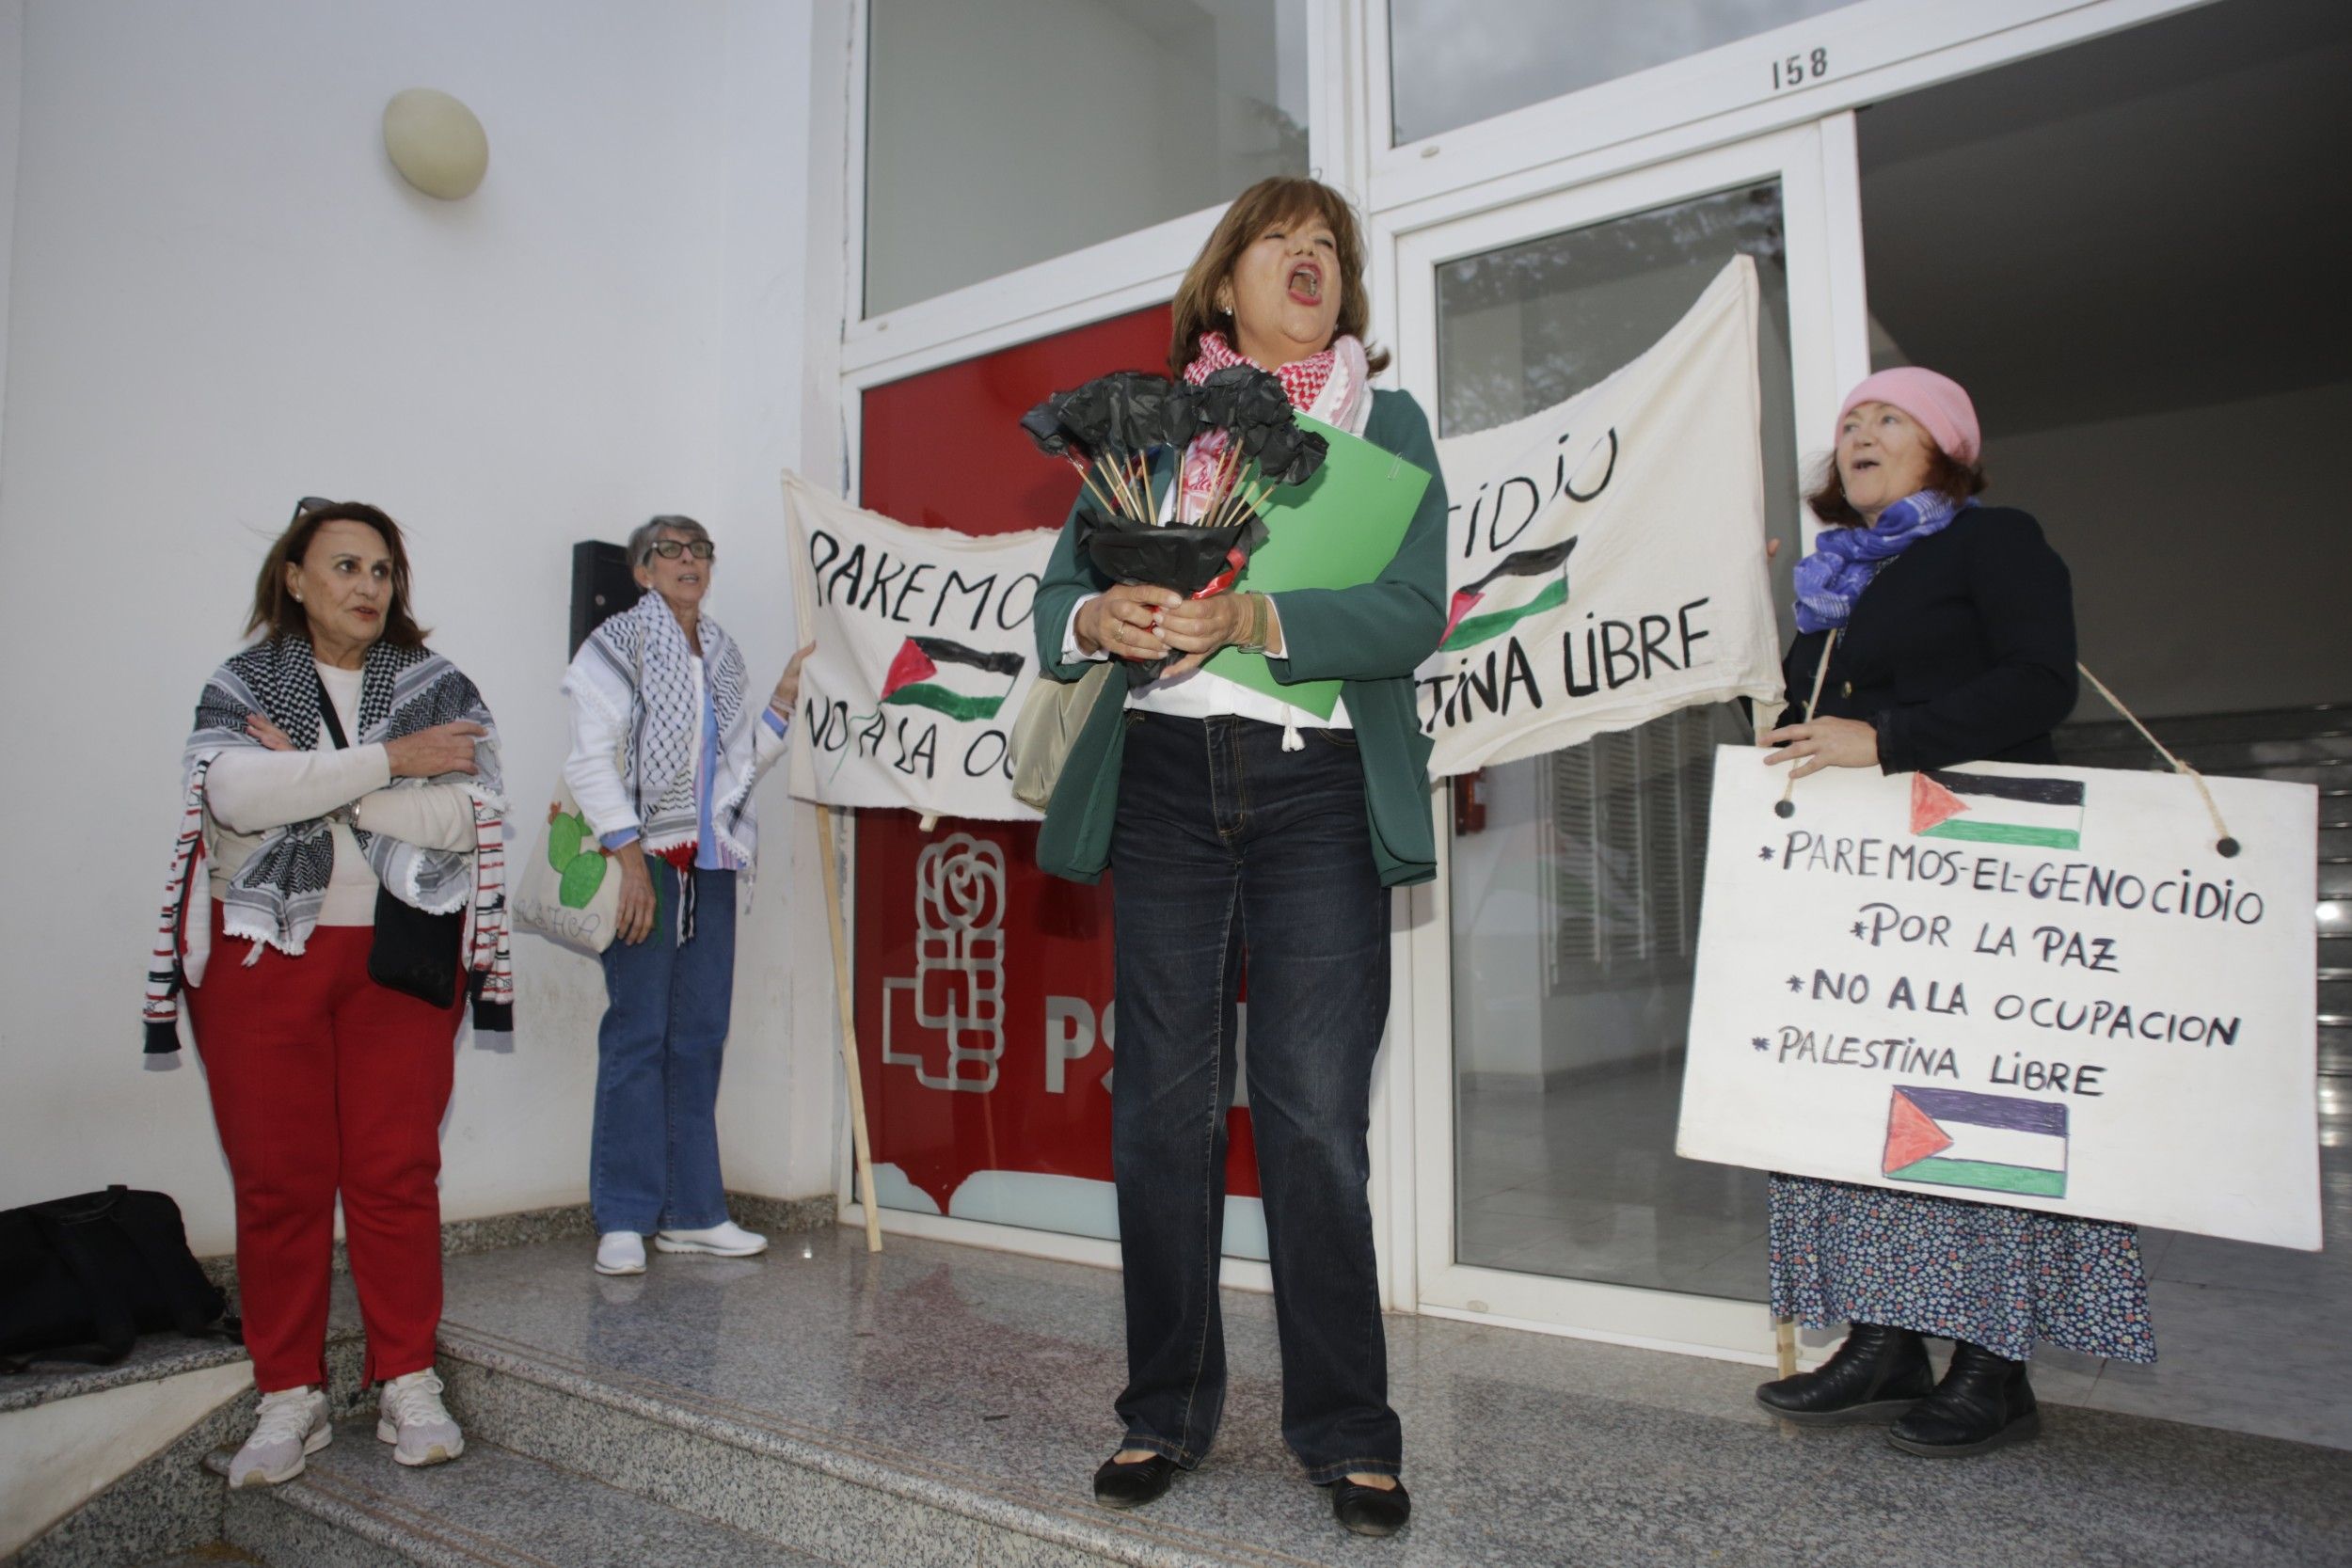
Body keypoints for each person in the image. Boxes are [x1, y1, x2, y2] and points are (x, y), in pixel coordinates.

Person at [1032, 177, 1446, 1539]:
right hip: (1161, 786)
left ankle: (1346, 1429)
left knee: (1317, 1117)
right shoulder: (1149, 423)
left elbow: (1410, 611)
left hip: (1315, 788)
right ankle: (1164, 1409)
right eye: (1282, 239)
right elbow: (1052, 603)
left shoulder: (1383, 426)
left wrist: (1260, 610)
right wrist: (1106, 612)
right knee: (1161, 1109)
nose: (1310, 256)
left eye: (1328, 243)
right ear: (1224, 282)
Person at [1754, 368, 2155, 1454]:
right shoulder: (1830, 580)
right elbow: (1808, 722)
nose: (1859, 433)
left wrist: (1883, 740)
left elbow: (2039, 683)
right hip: (1869, 878)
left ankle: (1995, 1365)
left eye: (1889, 417)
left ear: (1947, 447)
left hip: (1988, 869)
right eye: (1847, 423)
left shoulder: (1995, 540)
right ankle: (1886, 1340)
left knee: (1976, 1111)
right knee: (1864, 1096)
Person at [144, 499, 514, 1486]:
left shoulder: (440, 683)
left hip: (399, 957)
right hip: (265, 956)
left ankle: (406, 1376)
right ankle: (288, 1395)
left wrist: (311, 775)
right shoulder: (242, 680)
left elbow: (470, 813)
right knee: (278, 1184)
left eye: (382, 569)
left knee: (396, 1173)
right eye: (344, 565)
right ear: (295, 578)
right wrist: (390, 764)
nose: (366, 585)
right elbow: (232, 794)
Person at [563, 515, 812, 1278]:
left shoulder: (725, 652)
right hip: (646, 858)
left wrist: (778, 701)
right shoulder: (615, 644)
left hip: (709, 861)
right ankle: (626, 1215)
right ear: (641, 570)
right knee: (639, 1031)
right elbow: (589, 759)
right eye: (668, 550)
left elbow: (737, 764)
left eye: (700, 549)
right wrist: (628, 855)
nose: (687, 560)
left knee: (700, 1034)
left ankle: (693, 1212)